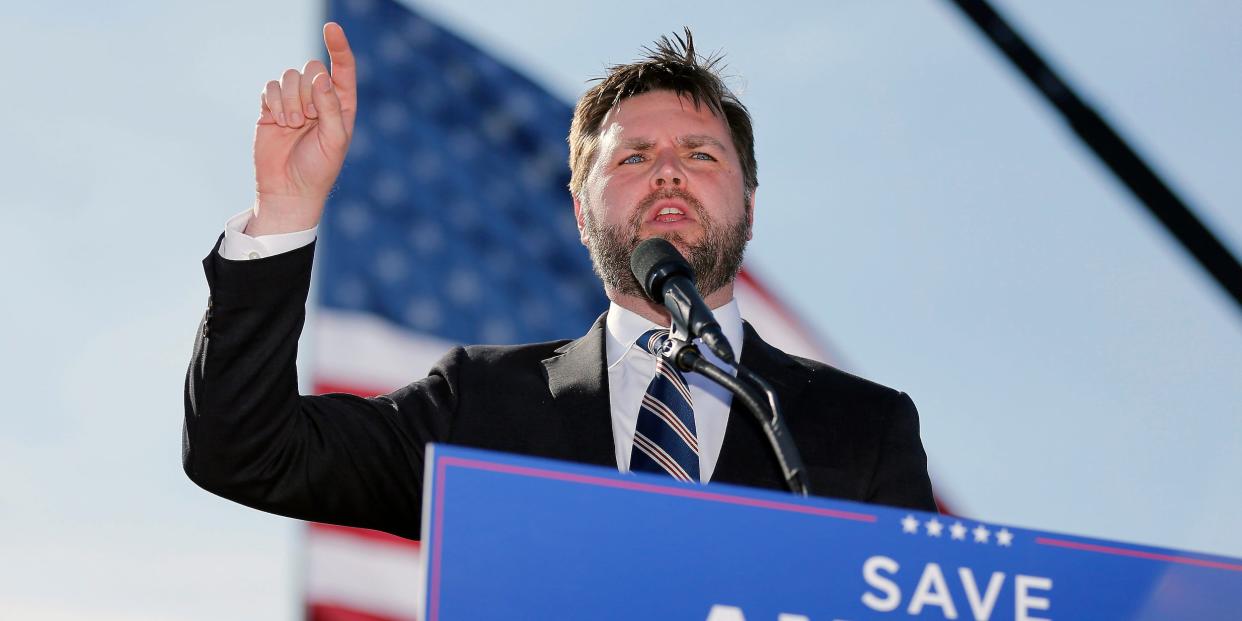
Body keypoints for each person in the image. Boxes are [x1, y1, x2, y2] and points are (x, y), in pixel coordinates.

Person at [183, 23, 936, 541]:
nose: (668, 168)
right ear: (580, 210)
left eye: (701, 155)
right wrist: (285, 211)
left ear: (748, 206)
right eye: (633, 156)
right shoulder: (479, 404)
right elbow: (245, 449)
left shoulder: (865, 429)